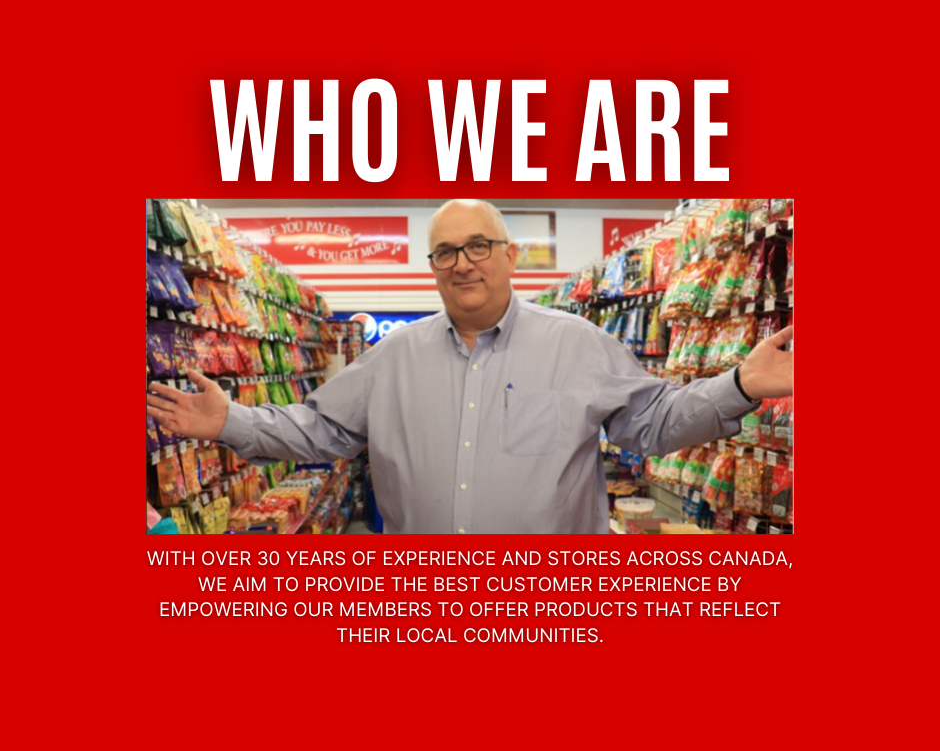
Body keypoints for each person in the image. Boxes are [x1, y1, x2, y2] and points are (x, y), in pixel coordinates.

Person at [147, 200, 793, 534]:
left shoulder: (577, 342)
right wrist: (231, 420)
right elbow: (317, 430)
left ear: (510, 255)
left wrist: (737, 385)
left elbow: (651, 424)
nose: (463, 263)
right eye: (446, 252)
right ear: (432, 267)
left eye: (478, 246)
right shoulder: (390, 358)